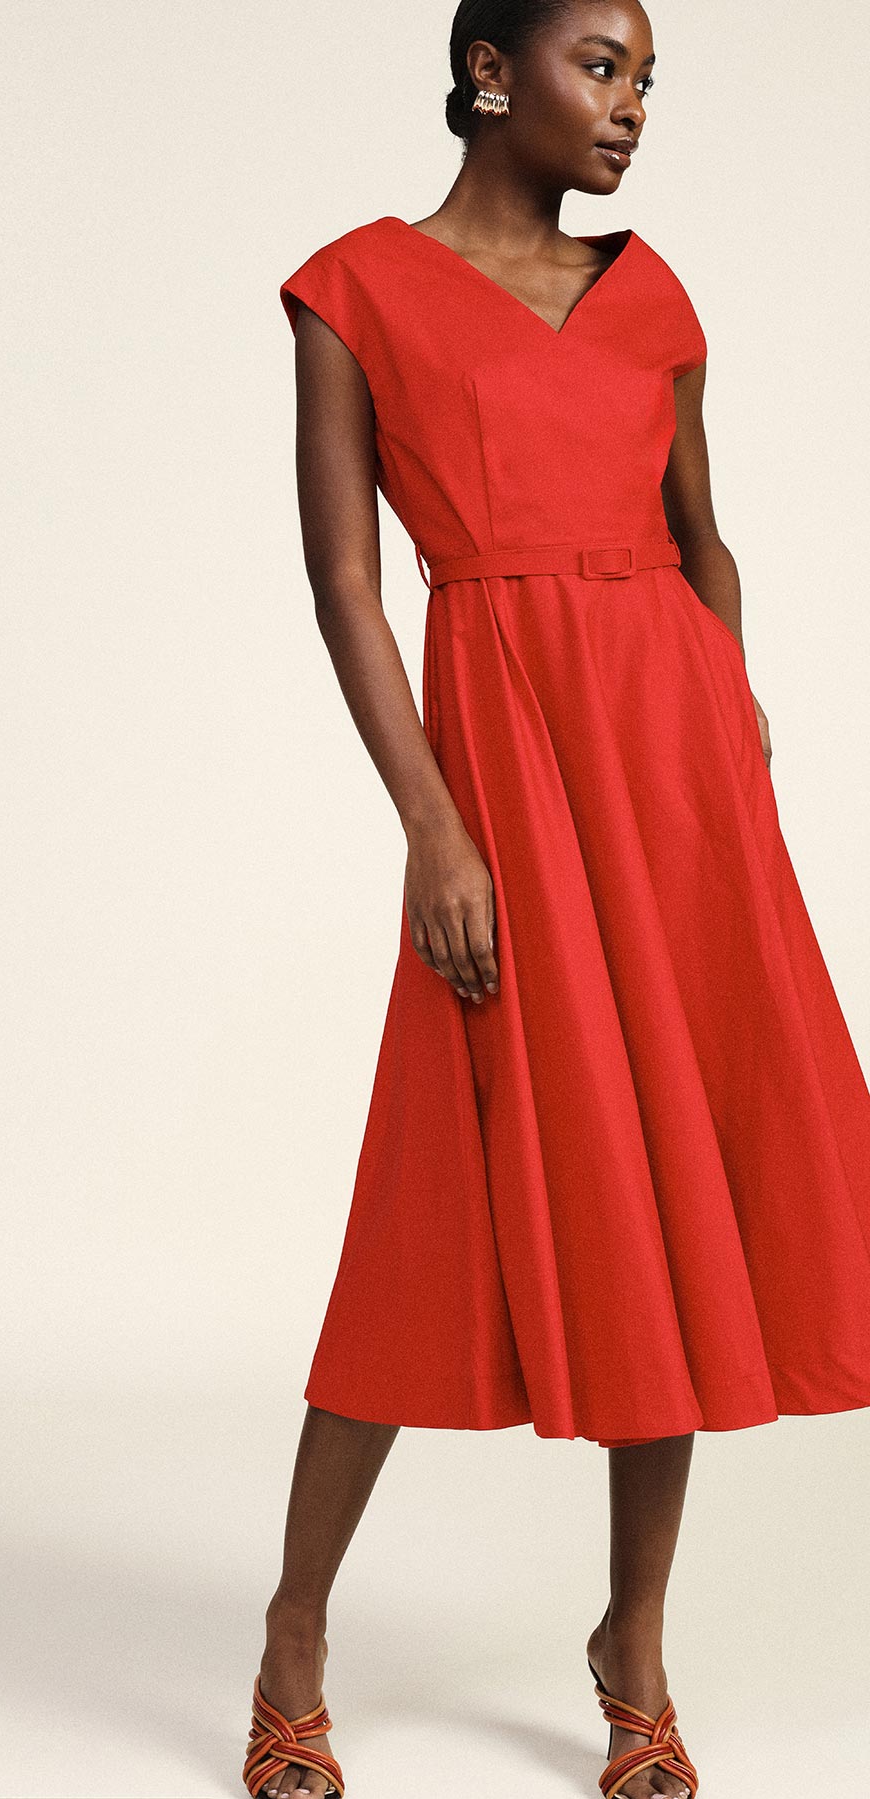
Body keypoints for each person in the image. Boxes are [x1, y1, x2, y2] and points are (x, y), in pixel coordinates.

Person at [243, 3, 870, 1797]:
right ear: (493, 68)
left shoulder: (657, 298)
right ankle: (295, 1633)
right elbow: (349, 590)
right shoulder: (352, 291)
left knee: (680, 1175)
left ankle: (636, 1652)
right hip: (504, 769)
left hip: (678, 784)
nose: (635, 109)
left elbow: (703, 538)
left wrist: (727, 736)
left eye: (653, 79)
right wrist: (435, 832)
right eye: (605, 65)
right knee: (429, 1195)